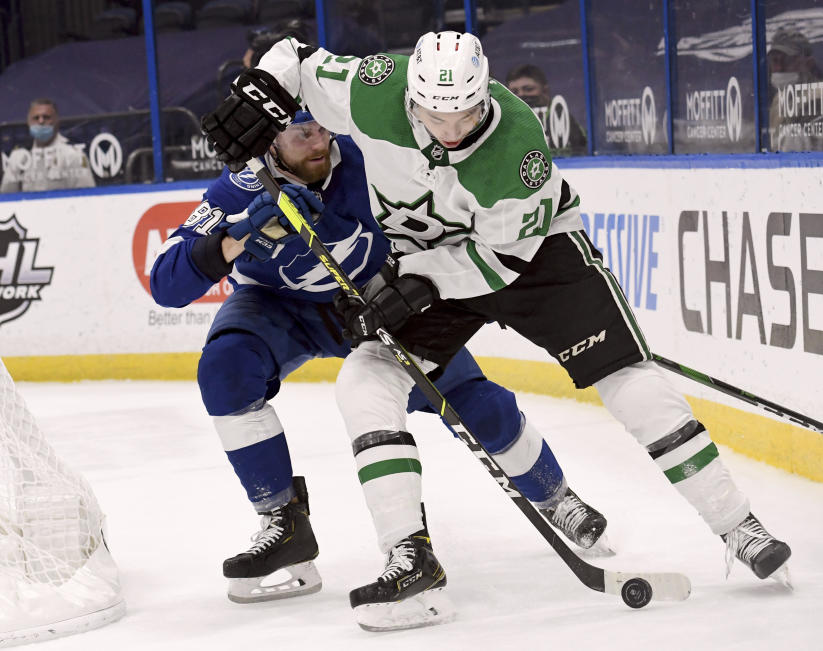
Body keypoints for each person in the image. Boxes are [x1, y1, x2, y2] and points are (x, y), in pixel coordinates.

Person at [200, 30, 791, 630]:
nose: (452, 130)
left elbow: (499, 262)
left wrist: (418, 283)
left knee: (625, 379)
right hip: (427, 260)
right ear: (412, 99)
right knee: (364, 379)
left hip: (533, 258)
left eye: (465, 112)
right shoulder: (374, 89)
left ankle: (738, 525)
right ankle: (411, 561)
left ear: (485, 92)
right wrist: (261, 90)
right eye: (436, 114)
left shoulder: (517, 148)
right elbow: (297, 59)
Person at [151, 111, 608, 611]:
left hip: (376, 303)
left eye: (322, 128)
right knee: (225, 369)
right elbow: (166, 283)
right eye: (302, 133)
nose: (319, 141)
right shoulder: (237, 189)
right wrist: (239, 235)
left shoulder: (374, 156)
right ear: (271, 141)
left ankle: (556, 496)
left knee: (468, 399)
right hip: (279, 309)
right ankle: (282, 522)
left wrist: (419, 283)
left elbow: (445, 223)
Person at [0, 99, 95, 193]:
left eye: (46, 117)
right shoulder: (18, 157)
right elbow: (7, 198)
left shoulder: (74, 155)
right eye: (36, 118)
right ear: (28, 122)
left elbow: (86, 197)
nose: (41, 121)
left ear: (57, 121)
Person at [506, 63, 587, 156]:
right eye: (514, 92)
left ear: (545, 91)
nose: (521, 95)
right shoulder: (506, 123)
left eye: (528, 89)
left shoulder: (563, 119)